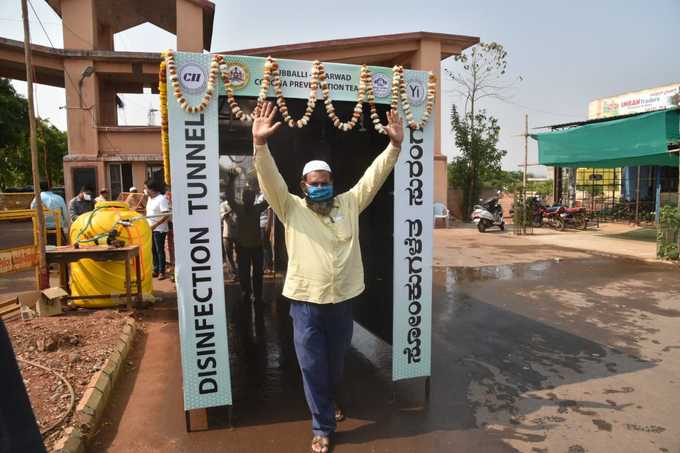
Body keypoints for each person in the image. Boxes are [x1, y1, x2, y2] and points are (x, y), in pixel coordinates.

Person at [252, 102, 404, 453]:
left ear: (332, 183)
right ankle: (322, 426)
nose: (320, 187)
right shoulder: (289, 208)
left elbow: (374, 177)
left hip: (341, 304)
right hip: (305, 305)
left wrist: (394, 146)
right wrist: (260, 146)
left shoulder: (349, 204)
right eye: (314, 183)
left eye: (325, 182)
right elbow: (269, 179)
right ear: (303, 186)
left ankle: (329, 400)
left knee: (334, 365)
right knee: (311, 366)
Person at [225, 174, 268, 303]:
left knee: (256, 274)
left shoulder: (253, 209)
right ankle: (247, 293)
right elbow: (230, 198)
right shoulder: (244, 209)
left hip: (254, 247)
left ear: (253, 198)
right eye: (246, 196)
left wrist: (266, 181)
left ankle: (255, 295)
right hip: (245, 247)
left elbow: (269, 199)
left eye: (250, 196)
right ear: (244, 198)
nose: (248, 198)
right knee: (246, 273)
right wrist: (231, 182)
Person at [144, 180, 171, 279]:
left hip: (159, 229)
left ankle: (161, 271)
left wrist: (155, 225)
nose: (145, 190)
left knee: (159, 250)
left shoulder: (161, 199)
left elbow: (165, 215)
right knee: (153, 250)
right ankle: (155, 269)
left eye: (146, 188)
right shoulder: (150, 199)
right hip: (150, 228)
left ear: (151, 189)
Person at [31, 181, 68, 246]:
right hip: (58, 228)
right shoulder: (59, 198)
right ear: (50, 188)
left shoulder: (37, 198)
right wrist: (65, 225)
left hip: (44, 228)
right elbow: (65, 213)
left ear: (39, 188)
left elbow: (33, 212)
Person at [220, 195, 239, 279]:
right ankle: (233, 274)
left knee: (239, 253)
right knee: (228, 254)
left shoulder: (238, 204)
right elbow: (222, 217)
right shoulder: (223, 205)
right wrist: (231, 210)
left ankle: (239, 272)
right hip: (227, 234)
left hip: (237, 233)